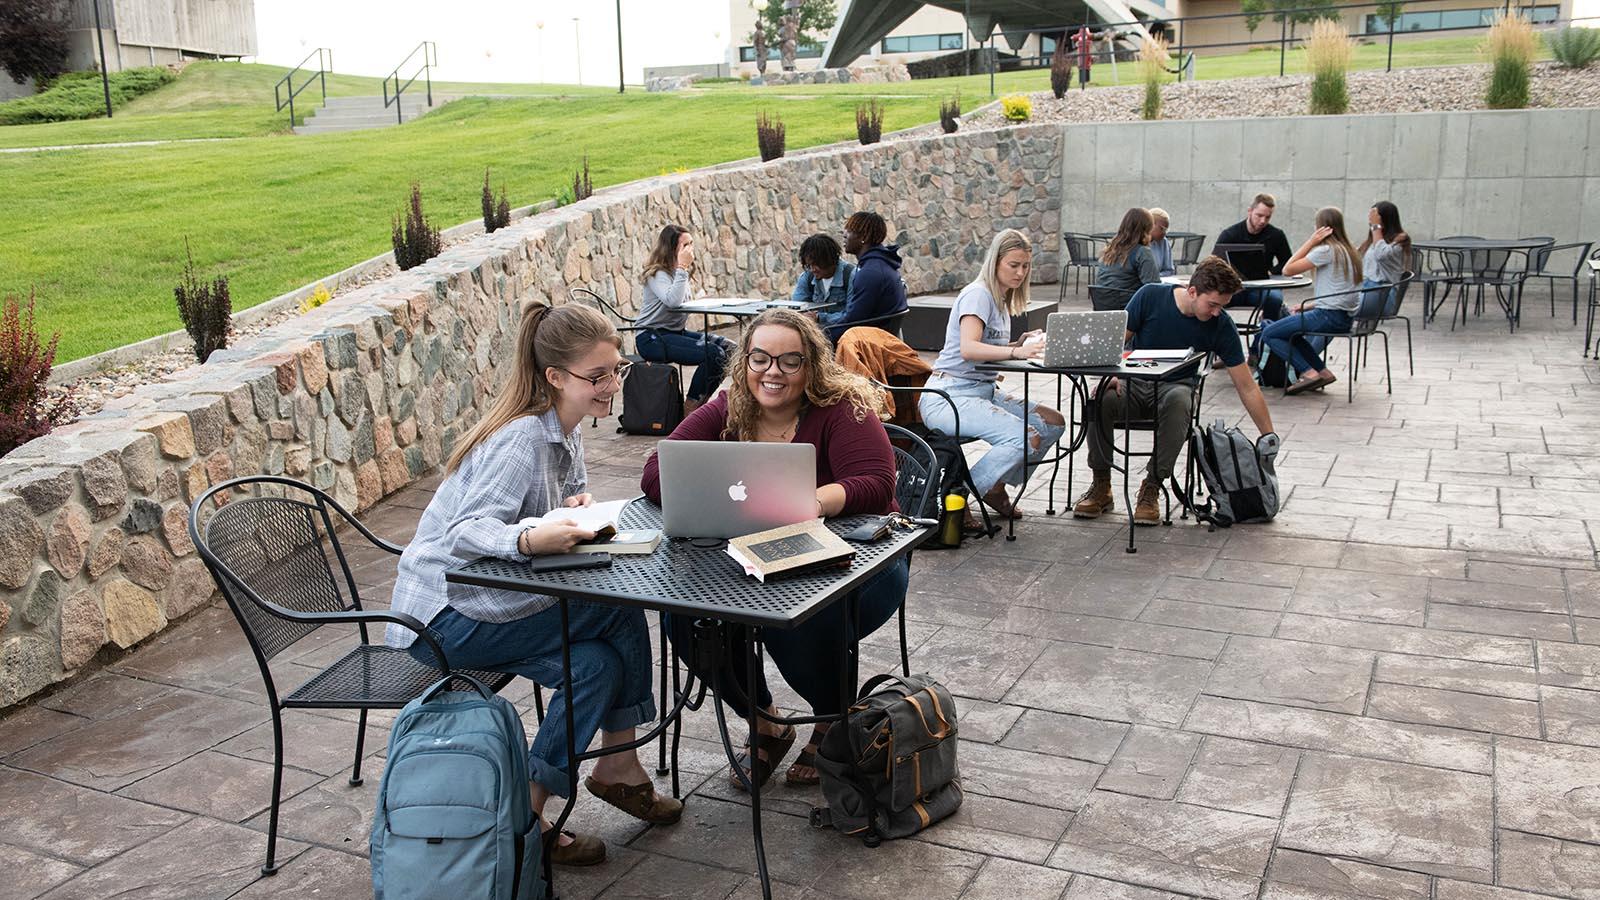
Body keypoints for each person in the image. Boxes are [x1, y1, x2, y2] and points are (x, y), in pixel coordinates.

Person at [388, 302, 680, 868]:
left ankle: (529, 808)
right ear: (554, 377)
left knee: (594, 665)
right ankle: (617, 765)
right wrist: (528, 538)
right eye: (596, 376)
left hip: (485, 602)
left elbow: (535, 511)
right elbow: (465, 533)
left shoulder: (564, 435)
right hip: (442, 617)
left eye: (615, 370)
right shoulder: (522, 437)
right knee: (618, 612)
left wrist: (567, 510)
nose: (610, 385)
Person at [640, 308, 907, 789]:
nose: (772, 372)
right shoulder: (728, 407)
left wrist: (807, 502)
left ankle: (830, 719)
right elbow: (658, 472)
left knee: (793, 616)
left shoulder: (843, 408)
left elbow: (875, 482)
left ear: (813, 365)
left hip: (860, 563)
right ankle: (766, 722)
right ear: (745, 361)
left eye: (789, 361)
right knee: (683, 614)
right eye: (760, 358)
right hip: (752, 560)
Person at [1072, 256, 1276, 526]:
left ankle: (1152, 486)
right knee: (1098, 398)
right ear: (1192, 291)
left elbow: (1247, 386)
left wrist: (1268, 435)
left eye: (1222, 306)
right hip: (1134, 382)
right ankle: (1101, 485)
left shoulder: (1221, 324)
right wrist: (1110, 372)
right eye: (1212, 304)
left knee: (1181, 400)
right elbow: (1116, 340)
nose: (1217, 312)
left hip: (1176, 388)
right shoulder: (1150, 296)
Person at [918, 229, 1067, 519]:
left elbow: (986, 346)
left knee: (1052, 423)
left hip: (980, 391)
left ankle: (995, 485)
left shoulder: (1000, 298)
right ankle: (958, 494)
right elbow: (969, 349)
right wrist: (1014, 353)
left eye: (1025, 266)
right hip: (948, 396)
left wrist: (1018, 343)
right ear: (995, 261)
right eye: (1014, 265)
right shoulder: (978, 295)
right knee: (1025, 437)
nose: (1021, 272)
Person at [634, 224, 734, 415]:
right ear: (671, 249)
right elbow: (672, 301)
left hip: (674, 333)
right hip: (651, 337)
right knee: (713, 353)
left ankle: (703, 404)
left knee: (730, 350)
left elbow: (679, 301)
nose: (690, 250)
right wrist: (682, 267)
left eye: (691, 244)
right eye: (685, 245)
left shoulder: (679, 273)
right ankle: (691, 411)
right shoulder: (658, 273)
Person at [1264, 206, 1365, 395]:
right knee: (1292, 333)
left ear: (1321, 228)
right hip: (1343, 318)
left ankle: (1308, 372)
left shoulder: (1327, 250)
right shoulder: (1350, 251)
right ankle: (1323, 372)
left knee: (1269, 333)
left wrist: (1311, 242)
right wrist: (1309, 306)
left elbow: (1287, 269)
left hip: (1328, 316)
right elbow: (1341, 292)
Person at [817, 211, 907, 342]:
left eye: (850, 230)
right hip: (874, 336)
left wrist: (818, 338)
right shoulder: (879, 265)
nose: (844, 234)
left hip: (866, 342)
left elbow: (853, 321)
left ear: (864, 236)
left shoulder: (871, 272)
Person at [1215, 193, 1293, 329]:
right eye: (1259, 215)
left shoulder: (1276, 235)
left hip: (1262, 287)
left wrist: (1271, 272)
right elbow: (1214, 262)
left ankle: (1264, 343)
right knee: (1211, 298)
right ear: (1250, 211)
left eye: (1268, 217)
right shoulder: (1230, 234)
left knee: (1274, 300)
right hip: (1233, 288)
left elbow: (1287, 262)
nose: (1263, 221)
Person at [1094, 207, 1161, 307]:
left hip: (1103, 309)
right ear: (1147, 229)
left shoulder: (1108, 250)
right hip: (1129, 309)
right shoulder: (1142, 252)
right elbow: (1154, 288)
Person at [1358, 200, 1411, 316]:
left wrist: (1376, 227)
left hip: (1383, 294)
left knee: (1335, 308)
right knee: (1330, 305)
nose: (1370, 222)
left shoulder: (1399, 240)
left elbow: (1381, 255)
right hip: (1366, 290)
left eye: (1374, 218)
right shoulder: (1374, 241)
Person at [791, 233, 856, 306]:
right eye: (809, 265)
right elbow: (796, 306)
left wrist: (819, 316)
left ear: (829, 259)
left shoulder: (851, 276)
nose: (813, 269)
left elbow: (852, 313)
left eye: (816, 264)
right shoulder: (807, 277)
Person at [1148, 208, 1177, 277]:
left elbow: (1169, 270)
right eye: (1162, 228)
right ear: (1150, 225)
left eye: (1166, 230)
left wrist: (1156, 277)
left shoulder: (1164, 242)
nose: (1164, 233)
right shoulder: (1136, 241)